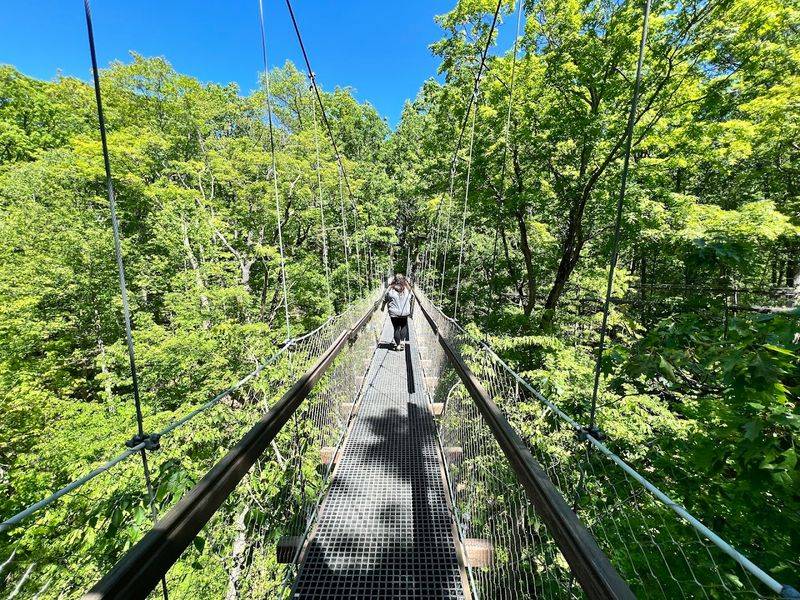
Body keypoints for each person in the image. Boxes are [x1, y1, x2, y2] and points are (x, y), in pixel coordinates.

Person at [381, 273, 414, 351]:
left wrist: (382, 307)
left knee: (396, 328)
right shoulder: (407, 288)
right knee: (403, 325)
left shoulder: (390, 288)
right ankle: (402, 341)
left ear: (394, 279)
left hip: (394, 313)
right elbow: (412, 297)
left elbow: (385, 299)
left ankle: (398, 345)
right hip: (405, 312)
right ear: (403, 279)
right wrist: (411, 310)